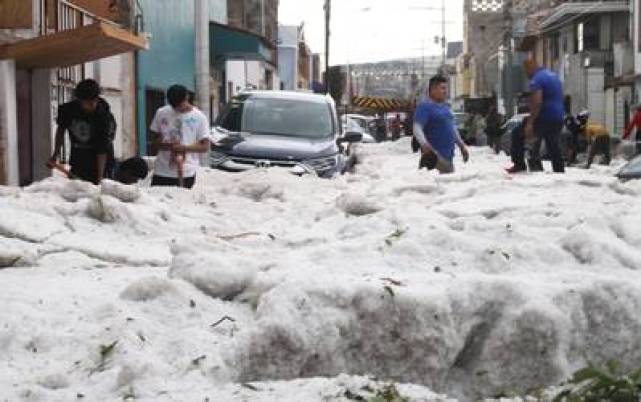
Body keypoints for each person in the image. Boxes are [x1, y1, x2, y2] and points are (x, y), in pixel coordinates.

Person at [49, 79, 116, 185]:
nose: (92, 105)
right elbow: (61, 131)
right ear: (79, 100)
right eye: (88, 103)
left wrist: (99, 181)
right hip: (79, 158)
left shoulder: (103, 115)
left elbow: (102, 149)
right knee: (78, 190)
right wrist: (55, 155)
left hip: (102, 162)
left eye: (94, 101)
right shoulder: (68, 110)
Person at [149, 85, 210, 189]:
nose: (177, 108)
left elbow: (205, 146)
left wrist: (184, 148)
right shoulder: (161, 113)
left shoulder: (199, 117)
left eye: (180, 105)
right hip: (162, 171)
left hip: (187, 172)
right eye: (174, 106)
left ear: (186, 97)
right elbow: (153, 140)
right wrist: (165, 145)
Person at [414, 75, 470, 174]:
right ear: (433, 90)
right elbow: (417, 128)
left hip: (448, 158)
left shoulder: (446, 108)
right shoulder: (425, 107)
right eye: (442, 88)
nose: (445, 91)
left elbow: (452, 128)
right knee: (434, 187)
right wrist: (424, 145)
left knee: (448, 186)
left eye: (446, 88)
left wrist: (461, 145)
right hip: (434, 158)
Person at [519, 58, 565, 173]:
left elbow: (537, 101)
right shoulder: (554, 76)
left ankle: (532, 172)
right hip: (558, 117)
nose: (526, 74)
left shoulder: (537, 79)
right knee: (554, 147)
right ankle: (560, 173)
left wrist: (530, 122)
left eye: (526, 71)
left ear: (531, 68)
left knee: (529, 142)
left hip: (544, 117)